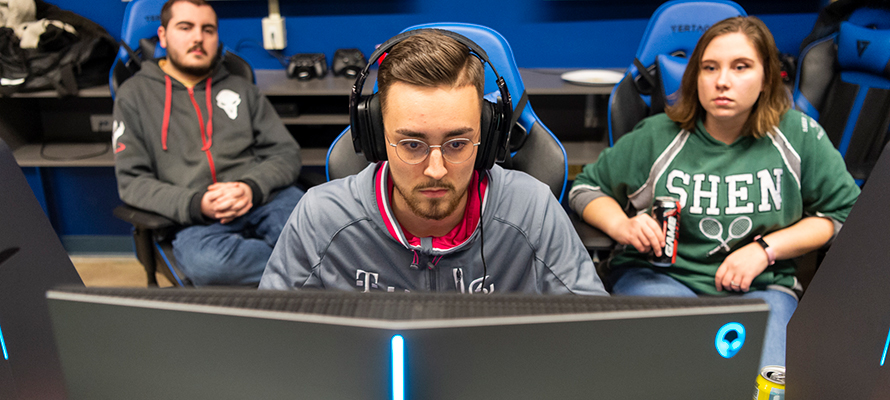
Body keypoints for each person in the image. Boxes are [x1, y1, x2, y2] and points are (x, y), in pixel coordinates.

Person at [569, 16, 859, 368]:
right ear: (696, 77)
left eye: (741, 67)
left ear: (767, 78)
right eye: (710, 68)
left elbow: (844, 214)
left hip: (761, 290)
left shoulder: (798, 135)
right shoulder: (658, 135)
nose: (723, 81)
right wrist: (622, 226)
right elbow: (585, 188)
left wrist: (765, 250)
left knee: (767, 382)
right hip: (660, 280)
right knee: (670, 375)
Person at [260, 30, 607, 295]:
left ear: (486, 137)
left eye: (457, 143)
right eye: (412, 144)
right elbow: (269, 343)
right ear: (377, 138)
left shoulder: (533, 212)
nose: (436, 170)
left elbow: (596, 337)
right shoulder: (321, 218)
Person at [113, 0, 303, 286]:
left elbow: (286, 153)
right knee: (212, 266)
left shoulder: (242, 88)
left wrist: (251, 186)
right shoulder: (134, 95)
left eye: (208, 29)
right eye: (185, 27)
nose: (198, 37)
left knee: (316, 230)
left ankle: (301, 267)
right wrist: (196, 203)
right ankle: (303, 269)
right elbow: (133, 181)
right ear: (163, 36)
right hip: (196, 216)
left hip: (264, 198)